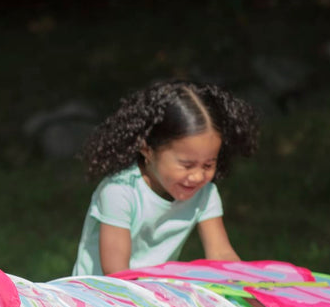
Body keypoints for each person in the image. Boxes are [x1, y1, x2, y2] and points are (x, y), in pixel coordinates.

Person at [72, 79, 258, 277]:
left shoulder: (205, 193)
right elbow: (116, 271)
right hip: (96, 296)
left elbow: (221, 254)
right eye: (186, 165)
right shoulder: (119, 192)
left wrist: (248, 290)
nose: (197, 176)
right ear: (147, 149)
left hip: (151, 294)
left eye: (208, 165)